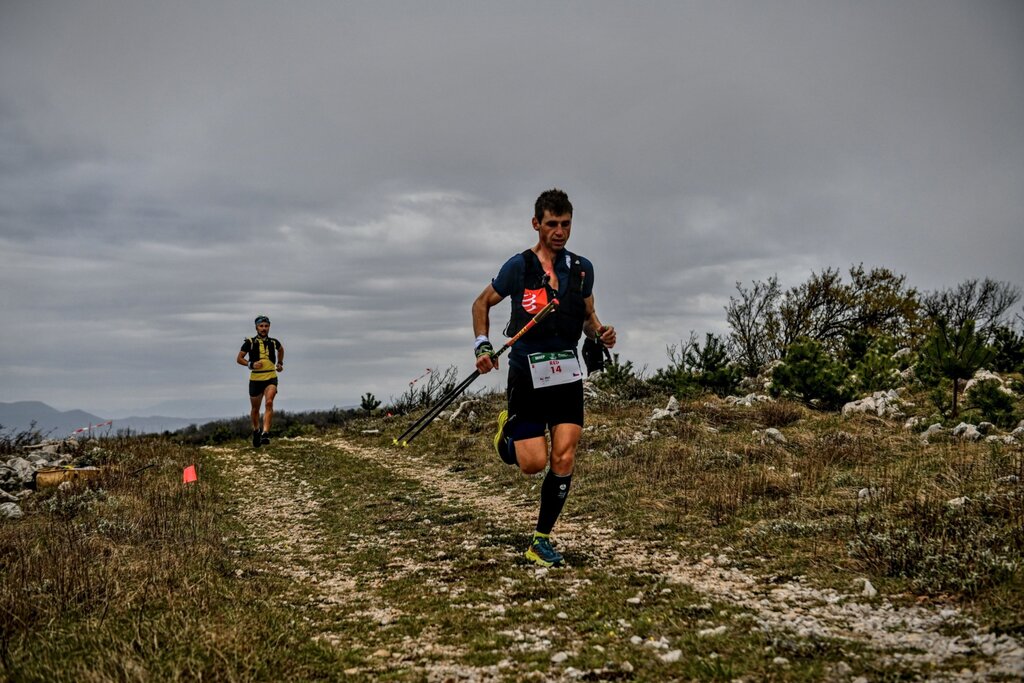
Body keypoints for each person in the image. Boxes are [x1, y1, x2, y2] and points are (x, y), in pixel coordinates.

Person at [472, 188, 616, 567]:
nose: (559, 232)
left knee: (564, 455)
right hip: (527, 371)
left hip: (566, 371)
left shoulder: (582, 269)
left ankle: (541, 539)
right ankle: (507, 436)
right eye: (552, 224)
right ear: (536, 224)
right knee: (533, 463)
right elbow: (481, 303)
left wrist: (600, 332)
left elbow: (588, 318)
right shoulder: (519, 267)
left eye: (565, 224)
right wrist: (482, 346)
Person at [236, 315, 284, 448]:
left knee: (269, 402)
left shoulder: (274, 342)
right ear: (256, 327)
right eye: (261, 326)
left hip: (271, 377)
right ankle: (256, 430)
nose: (264, 328)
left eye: (266, 326)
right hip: (256, 379)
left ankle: (265, 433)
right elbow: (239, 358)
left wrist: (280, 363)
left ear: (269, 327)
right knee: (255, 409)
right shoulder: (250, 342)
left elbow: (281, 349)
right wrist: (250, 364)